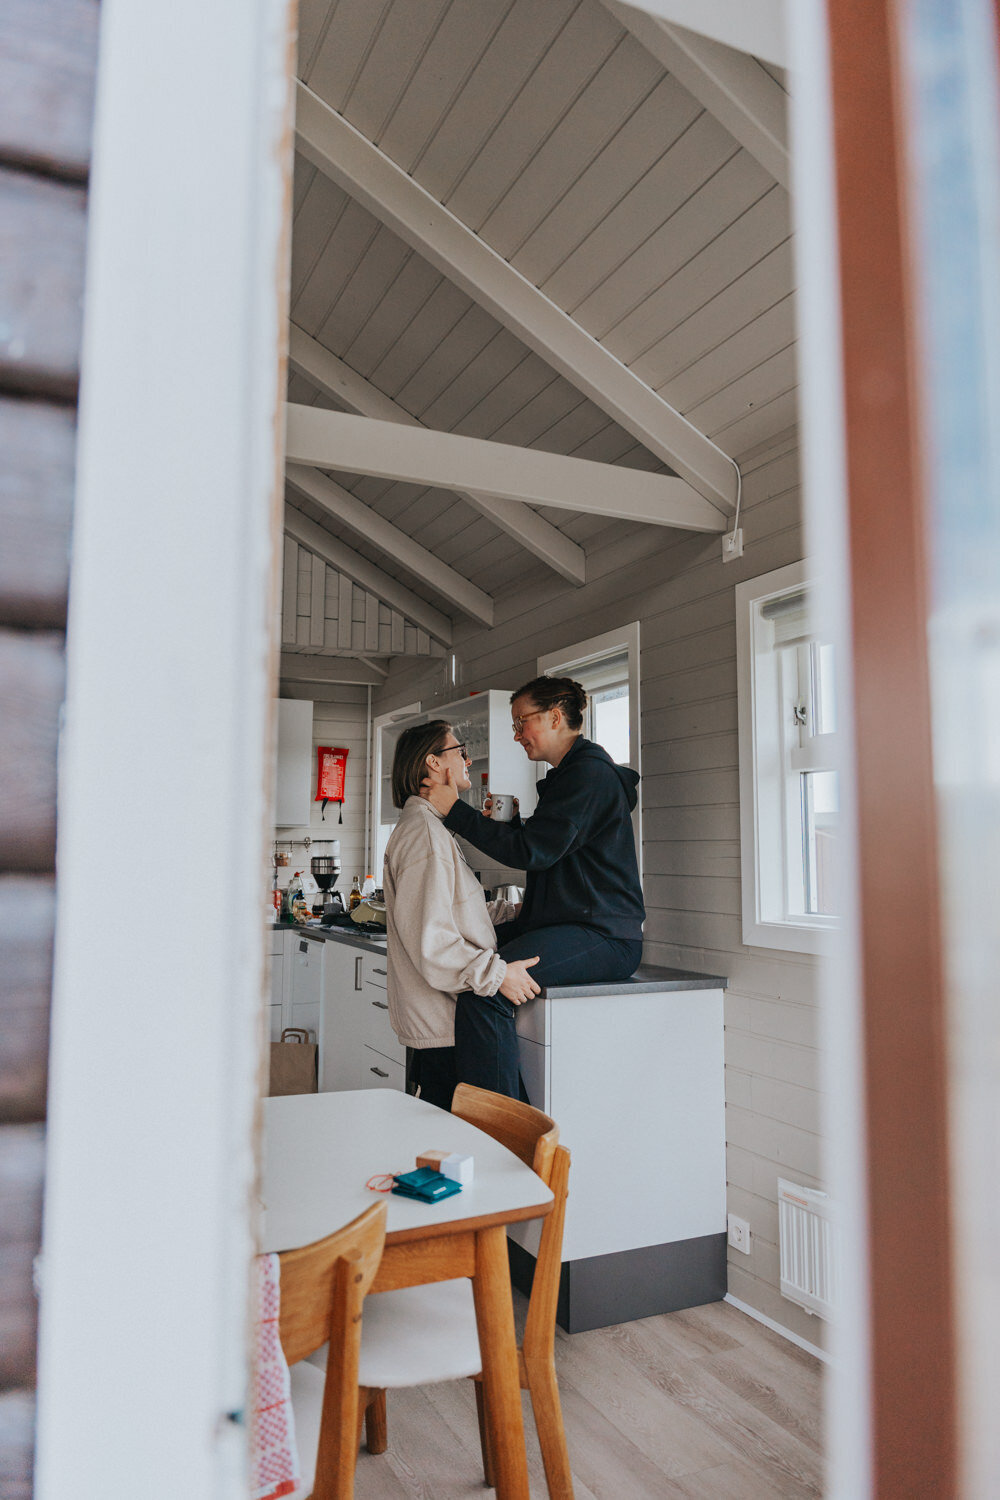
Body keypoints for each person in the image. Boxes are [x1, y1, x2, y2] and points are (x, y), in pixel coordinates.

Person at [422, 676, 645, 1100]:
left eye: (522, 722)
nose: (517, 734)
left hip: (603, 937)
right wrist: (513, 826)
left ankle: (500, 1129)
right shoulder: (569, 777)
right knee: (470, 956)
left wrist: (456, 812)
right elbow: (555, 849)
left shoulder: (589, 776)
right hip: (571, 925)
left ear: (556, 716)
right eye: (514, 725)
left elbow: (536, 853)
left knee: (485, 990)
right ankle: (442, 1099)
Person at [381, 720, 541, 1110]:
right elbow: (432, 941)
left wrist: (516, 910)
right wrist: (498, 975)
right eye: (460, 750)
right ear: (434, 762)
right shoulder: (424, 835)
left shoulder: (429, 828)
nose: (467, 759)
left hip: (447, 1027)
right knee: (477, 1148)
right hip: (446, 1031)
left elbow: (453, 910)